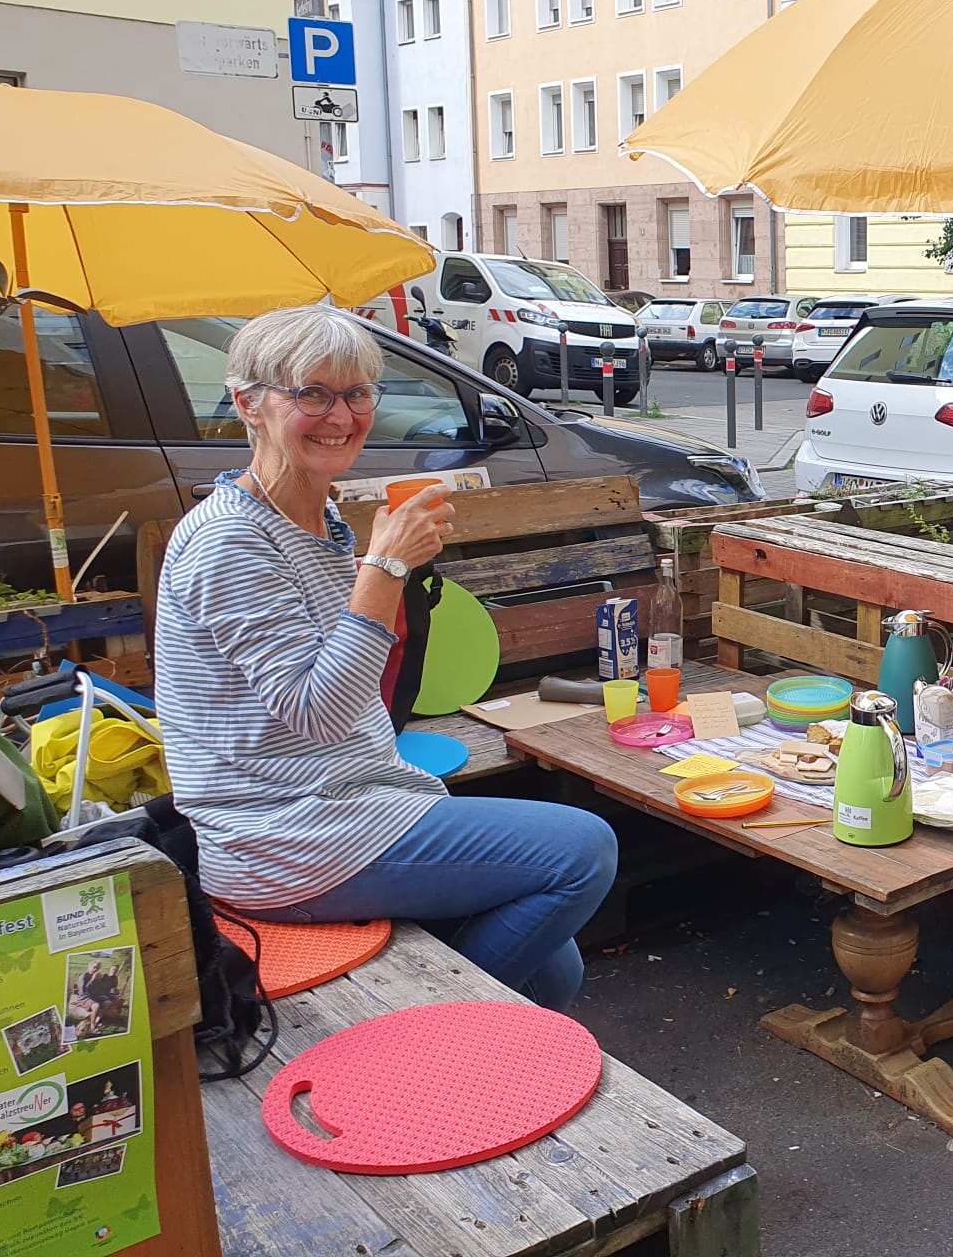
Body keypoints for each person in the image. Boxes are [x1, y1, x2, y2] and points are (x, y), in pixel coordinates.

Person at [157, 305, 618, 1012]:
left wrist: (377, 566)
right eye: (312, 393)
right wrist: (384, 568)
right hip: (282, 835)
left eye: (357, 394)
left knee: (558, 971)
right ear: (248, 403)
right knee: (582, 850)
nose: (340, 416)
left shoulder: (318, 523)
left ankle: (466, 1052)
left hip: (356, 799)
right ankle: (424, 1023)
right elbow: (318, 715)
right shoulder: (230, 542)